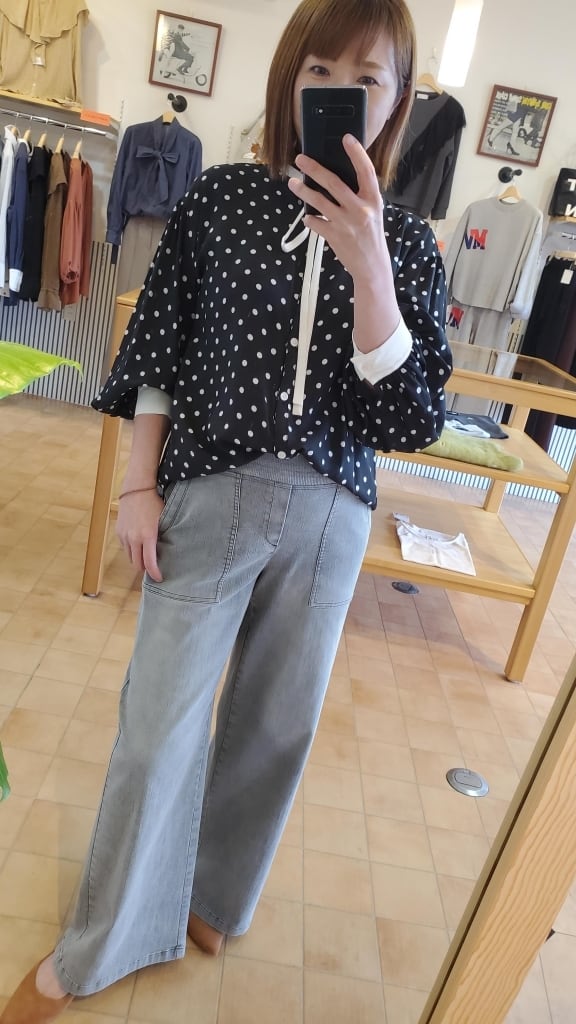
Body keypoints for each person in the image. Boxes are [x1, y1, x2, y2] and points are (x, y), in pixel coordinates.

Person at [1, 0, 451, 1020]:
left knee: (275, 728)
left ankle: (213, 896)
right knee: (155, 728)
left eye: (368, 77)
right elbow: (160, 349)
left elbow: (411, 416)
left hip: (332, 512)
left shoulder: (409, 244)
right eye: (321, 68)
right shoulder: (222, 200)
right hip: (210, 492)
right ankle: (97, 946)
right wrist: (136, 486)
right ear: (292, 76)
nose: (341, 89)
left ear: (396, 101)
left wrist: (371, 264)